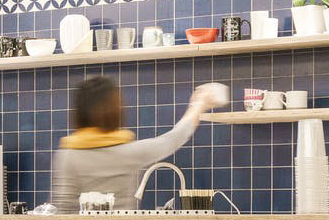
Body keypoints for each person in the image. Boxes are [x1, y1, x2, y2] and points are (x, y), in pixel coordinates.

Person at [49, 77, 225, 210]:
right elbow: (173, 138)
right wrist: (198, 105)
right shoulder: (129, 152)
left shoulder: (67, 155)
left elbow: (63, 208)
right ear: (115, 110)